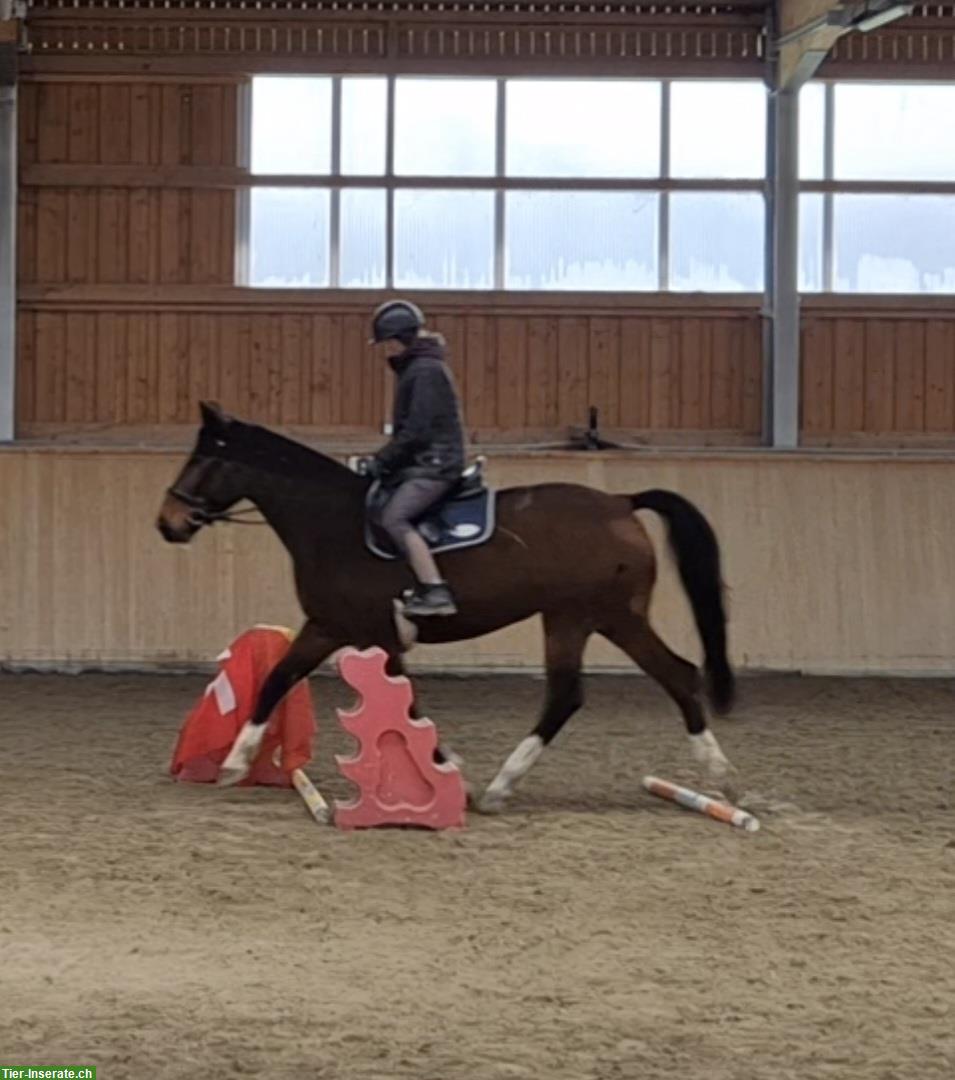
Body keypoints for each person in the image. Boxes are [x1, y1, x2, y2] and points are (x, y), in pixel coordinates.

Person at [365, 299, 466, 618]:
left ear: (401, 339)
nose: (385, 350)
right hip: (425, 459)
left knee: (395, 517)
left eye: (388, 343)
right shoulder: (418, 369)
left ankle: (435, 589)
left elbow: (417, 431)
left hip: (435, 463)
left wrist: (382, 462)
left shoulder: (425, 371)